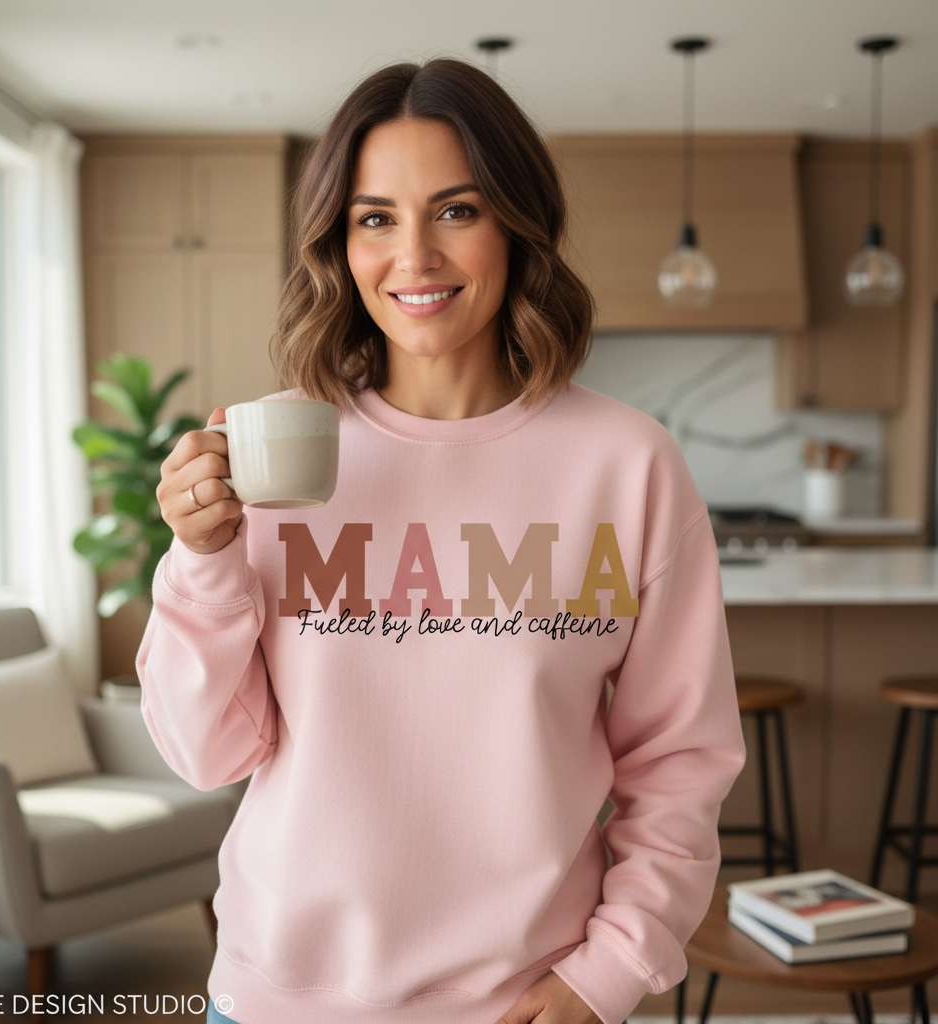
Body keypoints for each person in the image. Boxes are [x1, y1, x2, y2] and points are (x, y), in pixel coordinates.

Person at [138, 57, 745, 1024]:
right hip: (274, 1000)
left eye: (456, 211)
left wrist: (610, 972)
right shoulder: (271, 451)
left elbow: (680, 758)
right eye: (376, 217)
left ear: (516, 223)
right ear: (338, 243)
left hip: (525, 1005)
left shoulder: (627, 465)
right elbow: (207, 753)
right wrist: (201, 559)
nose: (414, 255)